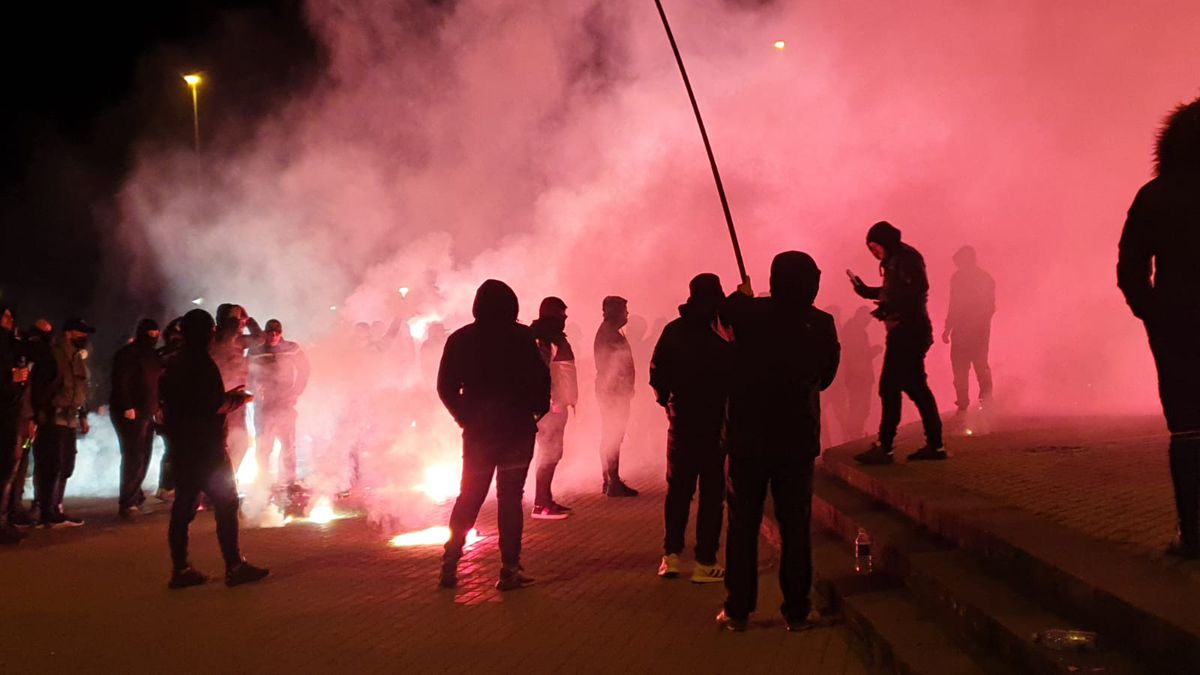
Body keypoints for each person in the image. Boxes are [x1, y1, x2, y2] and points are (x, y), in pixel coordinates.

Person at [717, 252, 840, 632]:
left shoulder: (748, 314)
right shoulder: (819, 323)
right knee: (795, 527)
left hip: (747, 440)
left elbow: (721, 320)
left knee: (742, 527)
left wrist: (741, 298)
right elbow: (827, 375)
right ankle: (798, 610)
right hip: (796, 440)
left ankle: (738, 610)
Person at [1118, 95, 1200, 558]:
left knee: (1187, 430)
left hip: (1177, 327)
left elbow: (1130, 269)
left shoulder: (1156, 194)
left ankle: (1193, 533)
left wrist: (1153, 313)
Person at [437, 280, 550, 591]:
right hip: (516, 429)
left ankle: (450, 563)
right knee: (510, 500)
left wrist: (465, 418)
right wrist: (535, 414)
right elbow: (541, 381)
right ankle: (510, 569)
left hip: (478, 434)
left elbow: (445, 387)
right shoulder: (523, 337)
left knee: (469, 496)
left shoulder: (460, 339)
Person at [159, 308, 268, 588]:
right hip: (207, 448)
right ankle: (234, 566)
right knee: (227, 502)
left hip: (183, 446)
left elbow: (176, 404)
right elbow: (210, 405)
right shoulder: (202, 364)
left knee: (183, 507)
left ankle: (181, 569)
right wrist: (237, 400)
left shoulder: (174, 363)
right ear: (207, 333)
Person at [649, 274, 733, 583]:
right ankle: (705, 561)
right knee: (712, 493)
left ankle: (671, 556)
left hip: (681, 421)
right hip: (714, 425)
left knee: (679, 491)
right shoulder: (722, 333)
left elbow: (657, 372)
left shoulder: (674, 331)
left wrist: (667, 402)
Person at [849, 221, 946, 464]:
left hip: (907, 331)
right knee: (916, 388)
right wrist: (868, 292)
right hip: (908, 330)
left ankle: (886, 447)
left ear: (885, 242)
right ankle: (934, 444)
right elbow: (896, 292)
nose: (874, 253)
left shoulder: (905, 260)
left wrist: (890, 308)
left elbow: (915, 290)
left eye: (875, 247)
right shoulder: (897, 260)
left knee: (890, 387)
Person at [33, 318, 94, 527]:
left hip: (70, 419)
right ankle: (45, 511)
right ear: (69, 333)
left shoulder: (77, 358)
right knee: (51, 465)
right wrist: (40, 414)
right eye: (81, 333)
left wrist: (83, 416)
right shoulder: (53, 355)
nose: (84, 337)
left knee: (67, 465)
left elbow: (82, 389)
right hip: (53, 417)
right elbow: (41, 387)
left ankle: (56, 507)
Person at [110, 318, 164, 518]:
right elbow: (120, 381)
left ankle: (135, 496)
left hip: (147, 412)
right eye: (150, 334)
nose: (154, 338)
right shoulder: (127, 354)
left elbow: (157, 384)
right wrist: (127, 406)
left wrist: (158, 408)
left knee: (144, 455)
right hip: (131, 413)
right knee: (134, 456)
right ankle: (128, 502)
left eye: (156, 335)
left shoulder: (153, 356)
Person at [530, 297, 578, 520]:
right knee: (549, 452)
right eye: (561, 313)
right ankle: (541, 504)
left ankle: (546, 499)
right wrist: (554, 402)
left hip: (556, 405)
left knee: (553, 453)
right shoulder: (543, 339)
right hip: (550, 408)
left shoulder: (550, 337)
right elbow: (542, 373)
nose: (565, 317)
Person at [248, 319, 310, 490]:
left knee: (288, 443)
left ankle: (289, 481)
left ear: (281, 332)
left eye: (277, 331)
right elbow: (246, 373)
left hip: (284, 402)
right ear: (266, 332)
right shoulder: (255, 351)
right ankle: (263, 481)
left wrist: (296, 391)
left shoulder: (291, 349)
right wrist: (253, 389)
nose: (274, 335)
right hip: (264, 403)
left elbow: (305, 370)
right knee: (263, 443)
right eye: (270, 331)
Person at [7, 319, 56, 526]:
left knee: (22, 462)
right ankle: (10, 511)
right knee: (13, 464)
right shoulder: (19, 356)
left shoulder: (32, 357)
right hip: (19, 419)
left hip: (29, 419)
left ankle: (14, 510)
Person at [943, 245, 996, 418]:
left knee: (975, 366)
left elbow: (988, 307)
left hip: (975, 331)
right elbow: (954, 305)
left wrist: (950, 327)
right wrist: (948, 328)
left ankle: (982, 403)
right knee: (965, 368)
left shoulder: (982, 279)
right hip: (966, 331)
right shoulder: (961, 278)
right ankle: (969, 404)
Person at [594, 295, 639, 497]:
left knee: (611, 434)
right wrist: (624, 387)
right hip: (614, 393)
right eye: (624, 310)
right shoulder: (610, 335)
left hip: (611, 391)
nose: (627, 314)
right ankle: (613, 481)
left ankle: (610, 479)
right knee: (613, 434)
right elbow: (615, 367)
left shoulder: (609, 332)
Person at [210, 304, 261, 475]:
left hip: (237, 399)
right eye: (238, 320)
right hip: (222, 399)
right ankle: (218, 486)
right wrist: (242, 321)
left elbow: (260, 339)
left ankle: (227, 480)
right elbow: (228, 340)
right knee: (223, 444)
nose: (241, 323)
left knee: (240, 443)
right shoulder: (218, 338)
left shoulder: (237, 340)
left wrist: (248, 320)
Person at [0, 306, 30, 544]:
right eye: (6, 316)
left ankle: (5, 519)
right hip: (5, 416)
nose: (10, 321)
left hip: (13, 416)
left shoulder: (11, 345)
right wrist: (9, 379)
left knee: (9, 468)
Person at [838, 307, 882, 441]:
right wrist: (874, 351)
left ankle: (854, 433)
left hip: (856, 375)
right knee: (860, 406)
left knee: (857, 405)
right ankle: (854, 435)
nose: (869, 322)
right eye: (868, 319)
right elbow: (858, 354)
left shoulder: (851, 328)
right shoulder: (855, 330)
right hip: (860, 376)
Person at [154, 317, 184, 501]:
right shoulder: (162, 357)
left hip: (183, 408)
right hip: (169, 408)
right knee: (172, 449)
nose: (177, 340)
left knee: (179, 449)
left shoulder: (188, 356)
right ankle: (166, 486)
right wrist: (158, 407)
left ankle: (174, 485)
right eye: (175, 336)